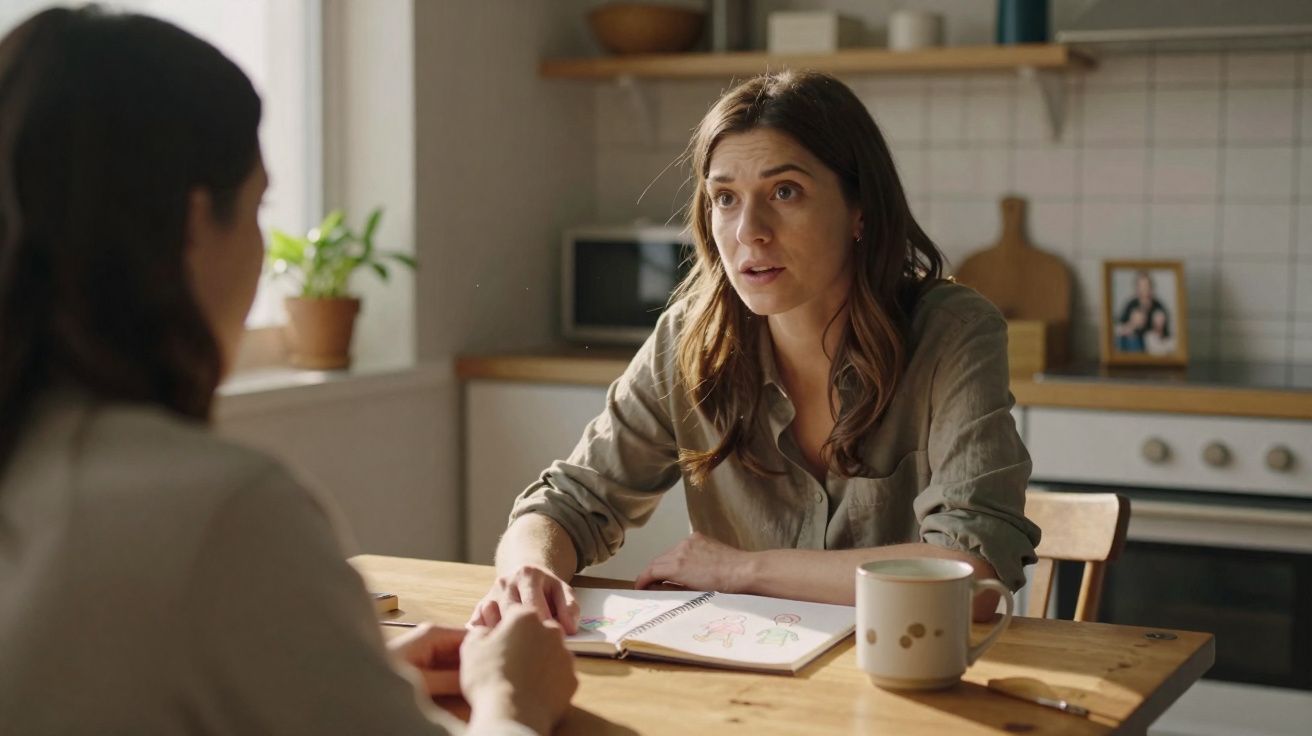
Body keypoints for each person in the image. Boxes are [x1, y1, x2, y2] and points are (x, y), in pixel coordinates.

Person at [0, 8, 574, 735]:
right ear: (191, 220)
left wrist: (354, 670)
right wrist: (511, 694)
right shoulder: (222, 508)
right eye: (257, 206)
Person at [472, 70, 1040, 632]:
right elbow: (568, 502)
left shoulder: (953, 332)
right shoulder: (689, 340)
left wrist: (743, 570)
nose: (749, 230)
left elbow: (971, 581)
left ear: (860, 209)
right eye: (725, 198)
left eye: (784, 191)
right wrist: (529, 569)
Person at [1115, 270, 1168, 353]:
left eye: (1147, 286)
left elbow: (1165, 334)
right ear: (1137, 288)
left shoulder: (1158, 307)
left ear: (1151, 288)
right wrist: (1133, 324)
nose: (1144, 289)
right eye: (1141, 286)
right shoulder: (1131, 305)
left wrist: (1158, 327)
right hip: (1132, 344)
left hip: (1152, 346)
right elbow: (1119, 328)